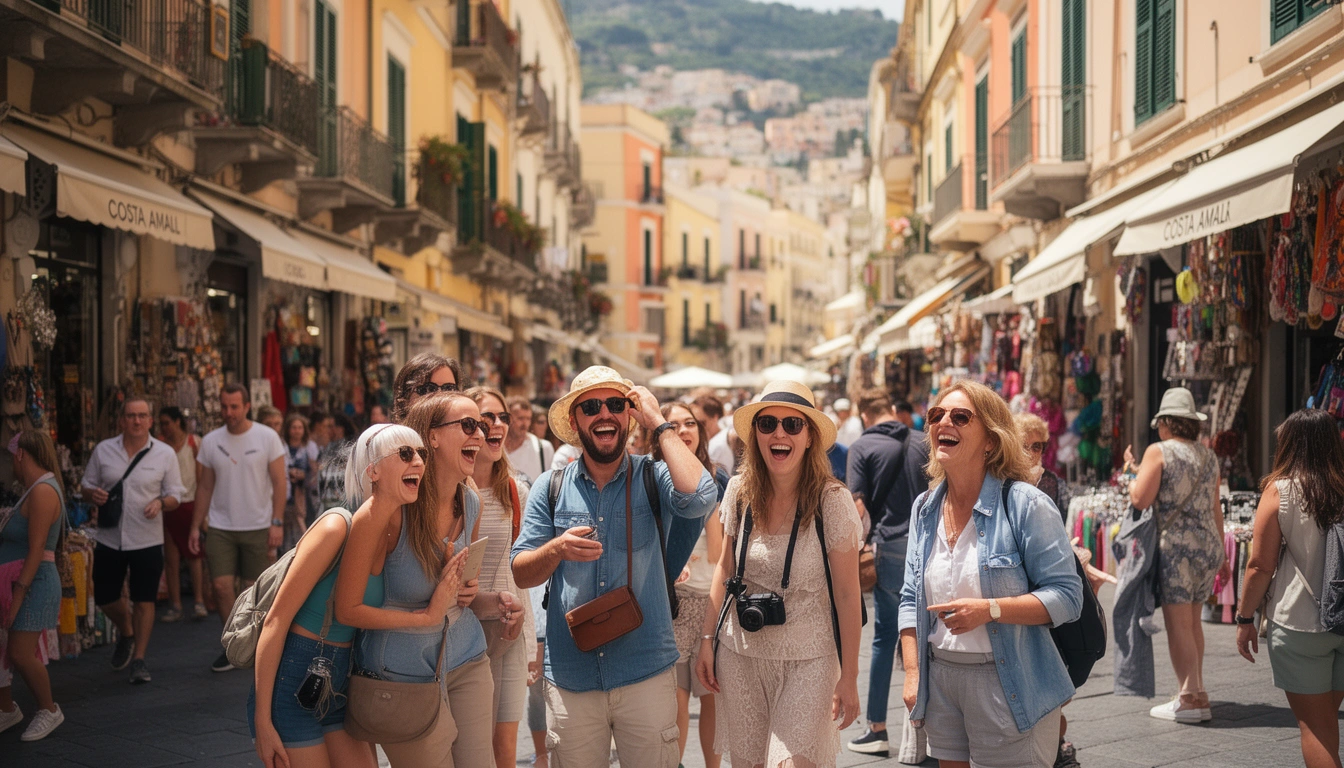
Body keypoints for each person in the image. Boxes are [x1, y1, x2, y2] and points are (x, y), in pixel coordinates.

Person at [512, 366, 717, 767]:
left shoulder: (654, 475)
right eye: (591, 406)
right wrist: (555, 550)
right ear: (575, 421)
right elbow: (521, 571)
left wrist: (658, 422)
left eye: (616, 404)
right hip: (572, 676)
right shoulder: (549, 487)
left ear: (629, 415)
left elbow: (701, 497)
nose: (604, 413)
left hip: (645, 669)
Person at [899, 380, 1083, 768]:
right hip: (942, 682)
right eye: (937, 415)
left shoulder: (1026, 504)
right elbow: (909, 595)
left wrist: (990, 609)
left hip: (1006, 679)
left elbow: (1068, 597)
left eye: (960, 416)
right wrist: (913, 672)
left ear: (990, 440)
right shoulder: (925, 508)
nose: (943, 422)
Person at [337, 394, 521, 767]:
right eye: (468, 425)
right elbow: (347, 609)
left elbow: (456, 599)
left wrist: (490, 599)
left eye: (482, 426)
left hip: (468, 658)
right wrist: (426, 615)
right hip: (404, 675)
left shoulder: (472, 503)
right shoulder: (390, 510)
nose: (480, 434)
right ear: (432, 437)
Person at [694, 380, 864, 768]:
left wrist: (850, 675)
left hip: (810, 659)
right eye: (767, 423)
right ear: (755, 436)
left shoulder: (832, 501)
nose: (779, 433)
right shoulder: (738, 490)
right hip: (741, 655)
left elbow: (848, 596)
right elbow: (725, 567)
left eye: (793, 425)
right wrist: (707, 640)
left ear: (809, 437)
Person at [249, 423, 427, 768]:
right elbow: (275, 621)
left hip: (341, 682)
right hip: (294, 677)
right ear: (372, 471)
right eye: (405, 454)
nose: (418, 461)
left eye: (421, 453)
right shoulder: (337, 527)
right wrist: (262, 719)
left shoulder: (389, 532)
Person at [1235, 409, 1344, 768]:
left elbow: (1260, 565)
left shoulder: (1281, 490)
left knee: (1315, 728)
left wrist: (1244, 617)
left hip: (1300, 624)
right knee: (1326, 719)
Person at [1124, 386, 1228, 723]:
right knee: (1193, 622)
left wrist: (1130, 474)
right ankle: (1198, 693)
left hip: (1177, 548)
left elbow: (1140, 498)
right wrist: (1224, 555)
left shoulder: (1159, 450)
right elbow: (1215, 507)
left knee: (1178, 625)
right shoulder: (1208, 456)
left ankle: (1187, 698)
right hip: (1208, 545)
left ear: (1166, 422)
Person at [844, 388, 929, 758]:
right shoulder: (923, 441)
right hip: (930, 544)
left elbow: (856, 504)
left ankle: (876, 728)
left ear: (865, 415)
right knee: (929, 636)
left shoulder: (862, 448)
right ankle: (931, 729)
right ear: (893, 410)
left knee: (884, 638)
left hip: (891, 546)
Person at [82, 398, 185, 685]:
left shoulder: (164, 454)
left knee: (144, 599)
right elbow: (86, 485)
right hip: (110, 537)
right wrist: (93, 495)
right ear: (122, 420)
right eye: (131, 416)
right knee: (104, 597)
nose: (137, 421)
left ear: (150, 421)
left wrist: (161, 502)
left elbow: (177, 494)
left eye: (142, 416)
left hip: (147, 539)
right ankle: (126, 631)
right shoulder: (104, 450)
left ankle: (139, 658)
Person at [190, 382, 288, 674]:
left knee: (253, 590)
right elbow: (205, 486)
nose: (228, 412)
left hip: (258, 525)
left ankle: (255, 644)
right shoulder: (210, 441)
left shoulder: (267, 437)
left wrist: (277, 521)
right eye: (224, 406)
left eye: (234, 406)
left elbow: (280, 482)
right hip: (221, 525)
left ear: (246, 407)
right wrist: (196, 526)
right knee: (221, 588)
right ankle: (233, 644)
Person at [657, 402, 729, 768]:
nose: (683, 430)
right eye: (673, 424)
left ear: (701, 431)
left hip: (708, 602)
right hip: (669, 604)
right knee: (676, 699)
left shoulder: (717, 479)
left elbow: (719, 553)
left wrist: (710, 498)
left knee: (712, 696)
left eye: (690, 423)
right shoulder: (653, 476)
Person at [468, 387, 536, 767]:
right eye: (485, 418)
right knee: (472, 746)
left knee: (504, 747)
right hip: (463, 633)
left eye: (502, 417)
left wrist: (529, 638)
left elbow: (520, 573)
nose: (497, 425)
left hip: (509, 633)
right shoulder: (447, 493)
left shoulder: (515, 491)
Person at [0, 430, 68, 741]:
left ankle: (49, 709)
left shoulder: (42, 491)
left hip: (34, 582)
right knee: (9, 649)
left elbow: (37, 548)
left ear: (21, 455)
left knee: (20, 652)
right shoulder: (33, 489)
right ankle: (7, 709)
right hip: (24, 581)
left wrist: (16, 596)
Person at [158, 406, 207, 623]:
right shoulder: (160, 445)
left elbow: (200, 478)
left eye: (167, 422)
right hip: (169, 505)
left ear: (178, 421)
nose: (164, 427)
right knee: (172, 558)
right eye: (162, 424)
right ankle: (175, 604)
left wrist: (202, 510)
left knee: (194, 555)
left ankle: (198, 601)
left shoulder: (194, 443)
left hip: (190, 503)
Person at [1015, 413, 1067, 519]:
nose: (1030, 453)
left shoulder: (1055, 483)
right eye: (1024, 446)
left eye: (1036, 446)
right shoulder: (1002, 480)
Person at [391, 352, 460, 423]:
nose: (440, 397)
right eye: (429, 389)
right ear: (404, 400)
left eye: (449, 389)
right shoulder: (396, 433)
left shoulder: (463, 433)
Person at [282, 413, 316, 552]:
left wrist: (304, 476)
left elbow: (315, 473)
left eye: (299, 427)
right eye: (293, 427)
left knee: (300, 532)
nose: (296, 431)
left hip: (302, 496)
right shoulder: (282, 446)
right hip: (285, 494)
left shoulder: (309, 447)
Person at [506, 396, 554, 484]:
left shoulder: (543, 448)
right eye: (520, 418)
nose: (525, 424)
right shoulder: (497, 448)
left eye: (528, 419)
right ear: (508, 418)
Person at [693, 395, 734, 476]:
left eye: (701, 423)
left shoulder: (717, 444)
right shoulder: (717, 438)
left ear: (715, 417)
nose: (697, 427)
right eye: (691, 423)